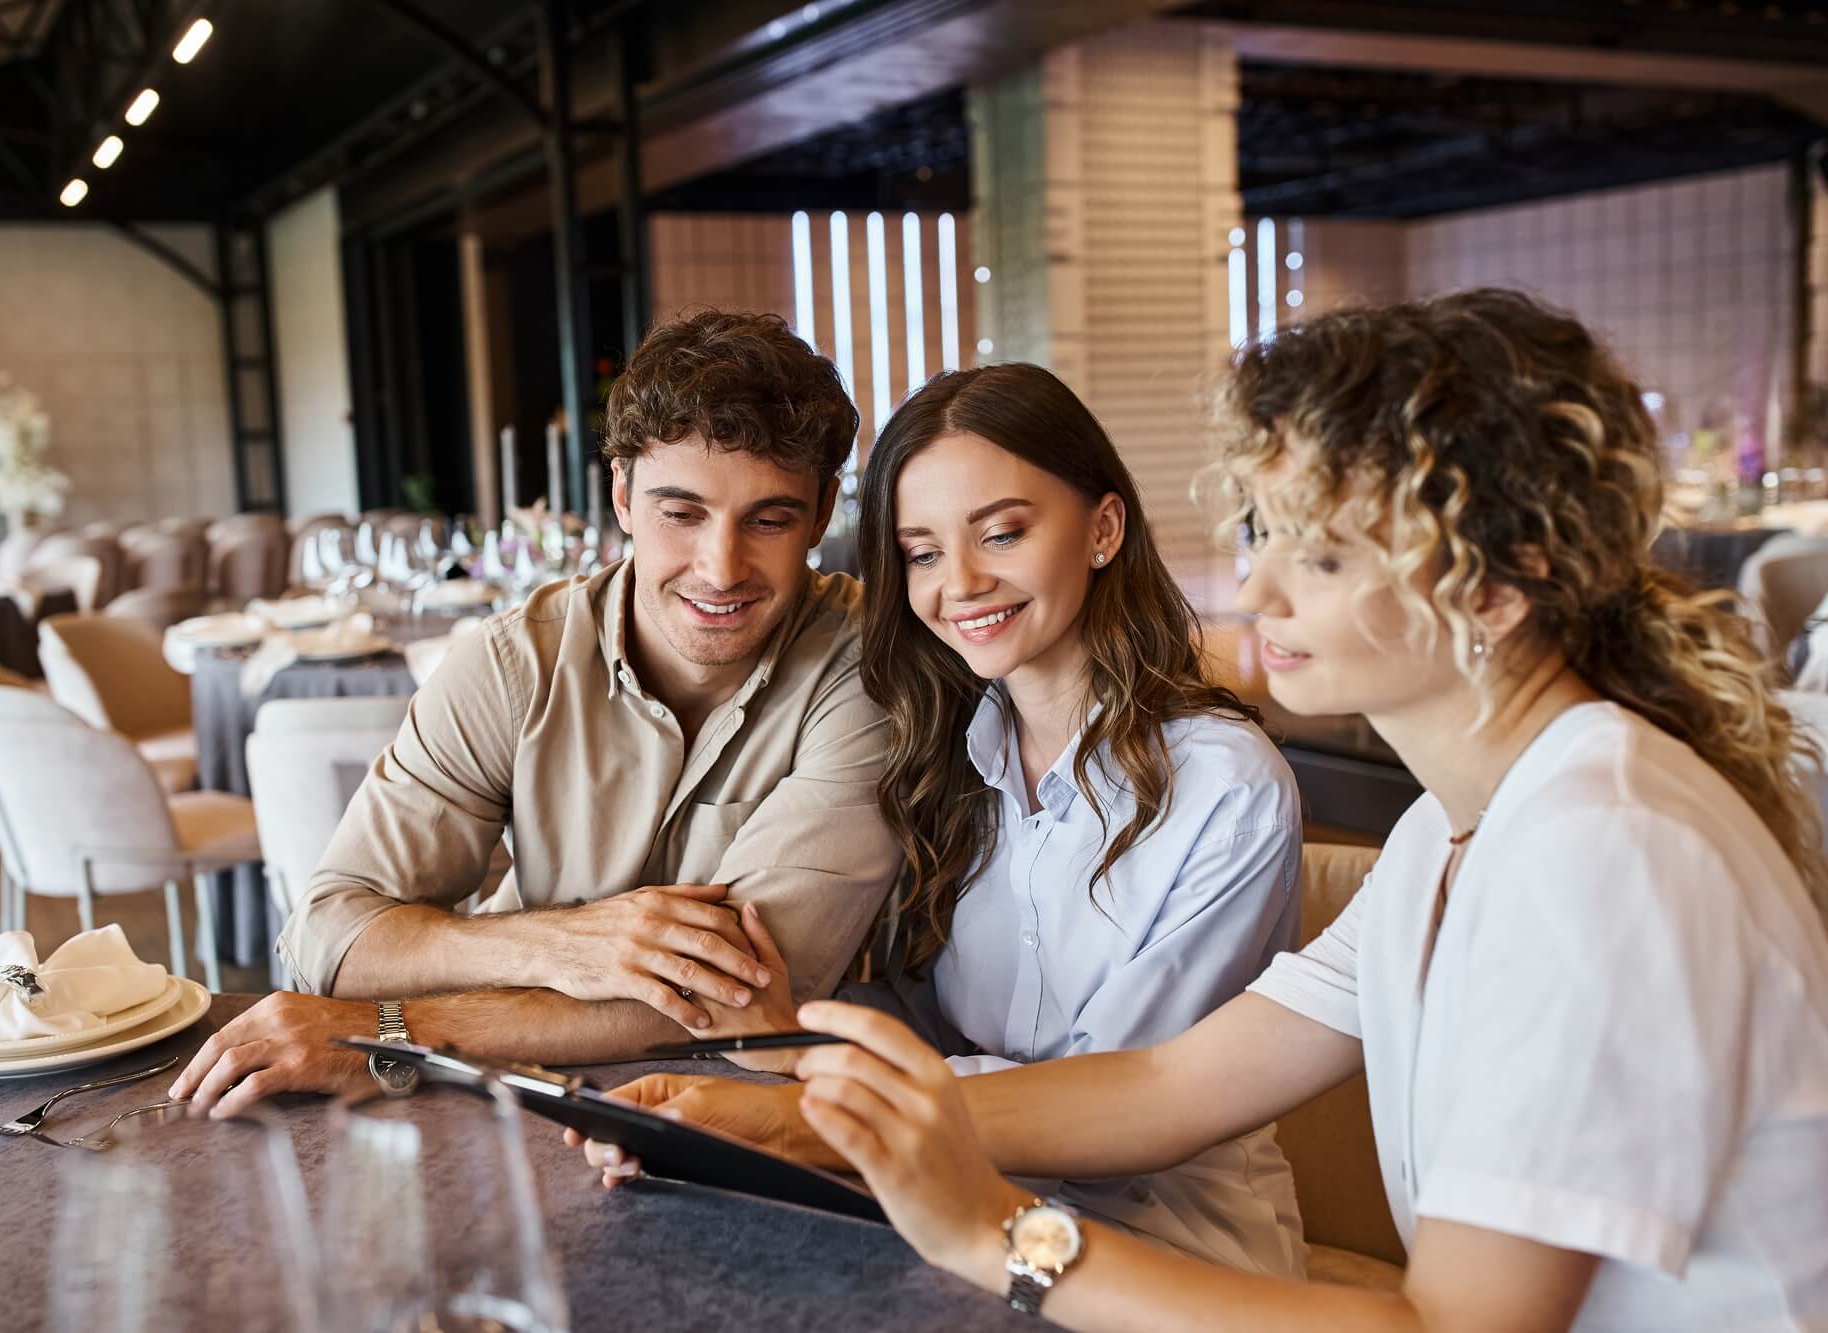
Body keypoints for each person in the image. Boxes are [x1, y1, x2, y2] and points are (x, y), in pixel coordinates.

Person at [577, 290, 1828, 1329]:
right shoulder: (1460, 828)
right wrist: (792, 1112)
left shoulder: (1594, 847)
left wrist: (993, 1228)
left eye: (1322, 553)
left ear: (1502, 587)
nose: (1260, 584)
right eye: (1262, 532)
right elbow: (1171, 1084)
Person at [585, 362, 1310, 1274]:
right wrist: (792, 1020)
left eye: (1001, 533)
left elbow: (1124, 1103)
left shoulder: (1225, 788)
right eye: (922, 552)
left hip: (1172, 1259)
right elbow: (938, 1018)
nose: (959, 583)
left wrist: (805, 1098)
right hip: (962, 1215)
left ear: (1103, 528)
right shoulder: (957, 753)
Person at [170, 310, 903, 1116]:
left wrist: (389, 1038)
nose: (720, 568)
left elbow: (738, 1002)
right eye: (681, 513)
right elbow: (326, 941)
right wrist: (564, 943)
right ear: (621, 494)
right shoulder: (516, 660)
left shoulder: (868, 671)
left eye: (769, 519)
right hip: (505, 1110)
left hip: (748, 1125)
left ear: (825, 506)